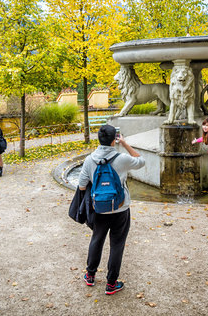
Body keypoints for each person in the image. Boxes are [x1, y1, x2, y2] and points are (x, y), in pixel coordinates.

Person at [77, 124, 145, 295]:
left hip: (99, 209)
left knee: (97, 240)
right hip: (121, 208)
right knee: (117, 245)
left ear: (98, 139)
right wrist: (125, 144)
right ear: (114, 139)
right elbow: (141, 161)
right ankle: (111, 284)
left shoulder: (90, 159)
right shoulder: (122, 158)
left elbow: (82, 185)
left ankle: (90, 275)